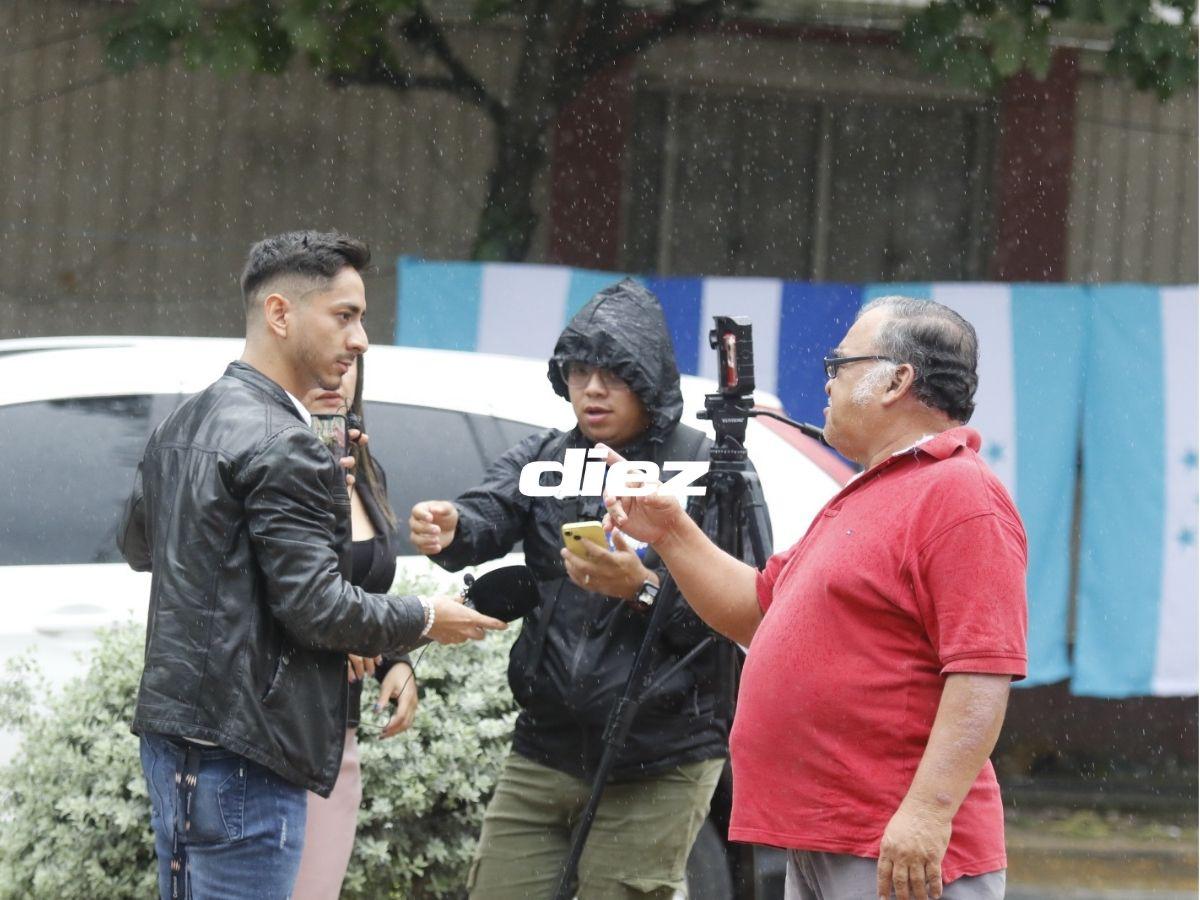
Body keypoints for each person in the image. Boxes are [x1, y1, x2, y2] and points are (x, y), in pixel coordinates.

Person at [118, 231, 506, 900]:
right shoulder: (287, 443)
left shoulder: (182, 423)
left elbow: (141, 548)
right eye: (345, 315)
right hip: (246, 753)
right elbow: (317, 608)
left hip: (176, 740)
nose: (361, 340)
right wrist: (424, 618)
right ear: (279, 314)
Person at [605, 296, 1028, 900]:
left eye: (840, 364)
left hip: (894, 848)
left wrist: (928, 814)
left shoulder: (959, 494)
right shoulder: (867, 492)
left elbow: (983, 673)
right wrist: (671, 531)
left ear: (897, 381)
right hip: (827, 836)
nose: (826, 382)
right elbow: (754, 612)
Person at [409, 279, 771, 899]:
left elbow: (751, 614)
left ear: (650, 382)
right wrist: (450, 527)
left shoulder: (712, 467)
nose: (592, 389)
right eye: (578, 372)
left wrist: (644, 588)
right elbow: (486, 517)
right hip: (543, 748)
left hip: (663, 757)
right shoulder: (544, 455)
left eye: (612, 373)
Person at [292, 355, 419, 899]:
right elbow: (283, 591)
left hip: (336, 732)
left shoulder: (363, 463)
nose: (336, 376)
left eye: (348, 363)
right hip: (276, 728)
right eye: (323, 359)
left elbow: (367, 587)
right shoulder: (271, 462)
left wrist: (394, 659)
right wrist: (335, 634)